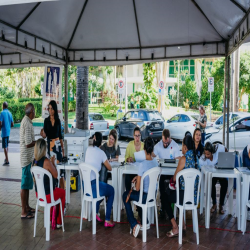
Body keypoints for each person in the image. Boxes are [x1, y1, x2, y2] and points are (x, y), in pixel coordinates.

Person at [165, 135, 200, 237]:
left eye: (182, 146)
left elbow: (175, 178)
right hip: (193, 197)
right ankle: (183, 224)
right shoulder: (196, 158)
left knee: (165, 196)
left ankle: (175, 227)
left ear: (185, 147)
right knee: (179, 192)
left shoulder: (183, 159)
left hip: (184, 196)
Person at [122, 137, 158, 238]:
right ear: (152, 149)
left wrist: (138, 179)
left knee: (125, 196)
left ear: (144, 149)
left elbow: (137, 189)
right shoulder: (156, 163)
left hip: (144, 197)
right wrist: (138, 178)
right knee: (138, 195)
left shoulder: (142, 165)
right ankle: (145, 221)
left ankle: (134, 224)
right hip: (152, 196)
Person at [33, 139, 65, 228]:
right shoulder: (46, 161)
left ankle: (52, 218)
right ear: (44, 149)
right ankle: (58, 221)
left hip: (39, 195)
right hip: (48, 195)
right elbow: (56, 175)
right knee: (62, 192)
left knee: (54, 192)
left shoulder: (34, 162)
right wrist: (52, 162)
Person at [85, 132, 115, 227]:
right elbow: (109, 168)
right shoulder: (101, 153)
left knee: (101, 188)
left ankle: (95, 212)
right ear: (101, 142)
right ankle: (107, 219)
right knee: (111, 190)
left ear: (93, 139)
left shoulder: (88, 150)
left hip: (86, 187)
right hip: (94, 187)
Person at [152, 129, 181, 217]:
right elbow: (152, 155)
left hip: (172, 171)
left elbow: (178, 160)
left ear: (170, 138)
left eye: (167, 143)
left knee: (171, 187)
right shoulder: (158, 145)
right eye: (164, 142)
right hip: (162, 171)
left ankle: (169, 206)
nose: (165, 144)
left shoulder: (175, 145)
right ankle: (163, 205)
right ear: (162, 138)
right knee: (161, 185)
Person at [199, 142, 228, 214]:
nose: (206, 155)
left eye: (208, 154)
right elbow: (201, 168)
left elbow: (226, 149)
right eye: (205, 153)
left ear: (212, 152)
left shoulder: (218, 149)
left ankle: (221, 205)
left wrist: (225, 159)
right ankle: (214, 204)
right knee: (211, 183)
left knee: (225, 183)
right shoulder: (203, 158)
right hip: (212, 175)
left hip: (220, 171)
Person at [20, 103, 36, 219]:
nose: (35, 112)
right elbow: (27, 143)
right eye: (34, 110)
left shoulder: (28, 121)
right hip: (26, 159)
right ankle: (23, 212)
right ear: (31, 112)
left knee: (27, 185)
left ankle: (27, 206)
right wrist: (38, 142)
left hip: (28, 158)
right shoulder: (26, 123)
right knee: (24, 185)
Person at [0, 101, 14, 166]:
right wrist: (8, 126)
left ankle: (7, 160)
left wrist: (0, 128)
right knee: (6, 146)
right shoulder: (10, 113)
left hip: (4, 132)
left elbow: (0, 123)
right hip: (8, 132)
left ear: (3, 106)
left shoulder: (2, 113)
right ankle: (6, 158)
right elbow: (12, 124)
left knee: (5, 146)